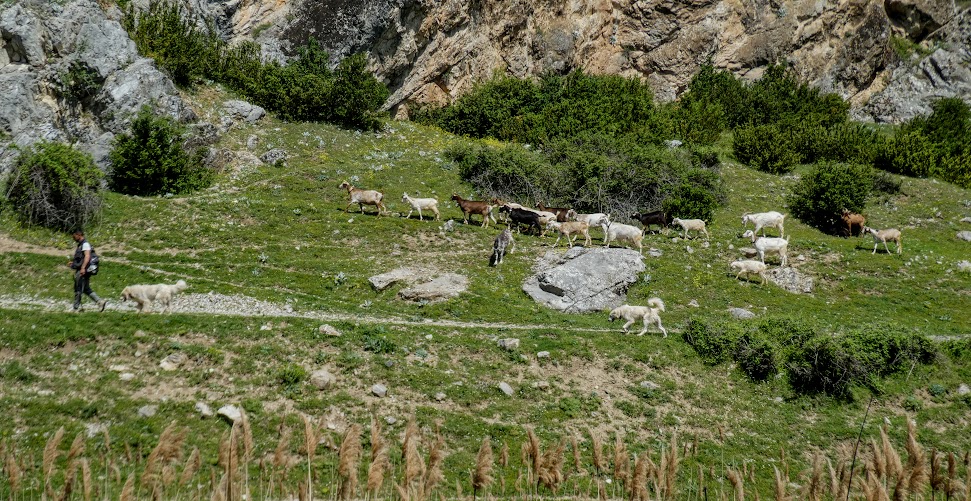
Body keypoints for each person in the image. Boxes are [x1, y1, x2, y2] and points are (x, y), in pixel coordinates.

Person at [68, 230, 106, 312]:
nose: (73, 238)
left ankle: (75, 308)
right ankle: (100, 302)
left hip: (83, 270)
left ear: (78, 235)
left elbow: (87, 256)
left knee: (78, 288)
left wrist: (83, 268)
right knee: (85, 288)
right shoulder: (82, 245)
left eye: (74, 236)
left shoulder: (85, 244)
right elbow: (82, 258)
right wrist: (74, 263)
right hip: (85, 269)